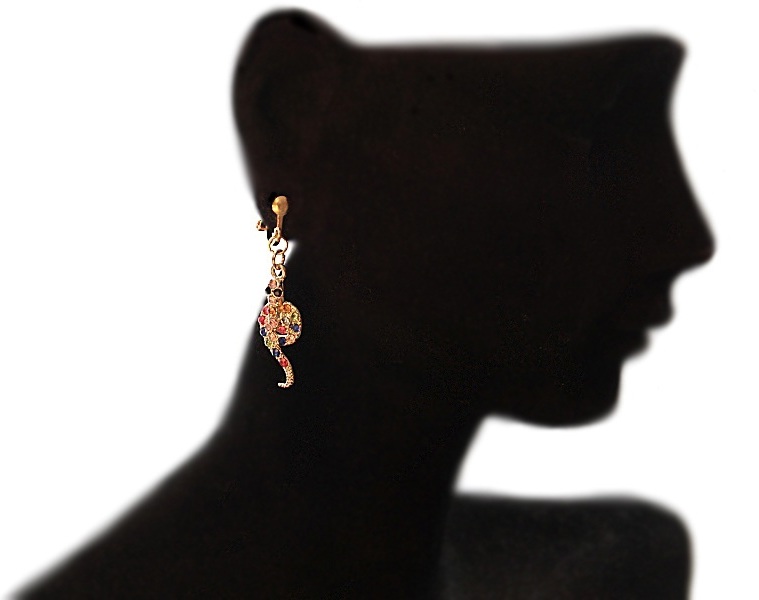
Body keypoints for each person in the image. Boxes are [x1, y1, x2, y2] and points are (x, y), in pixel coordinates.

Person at [19, 9, 713, 599]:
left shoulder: (617, 569)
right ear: (293, 115)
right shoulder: (605, 570)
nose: (685, 236)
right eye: (594, 133)